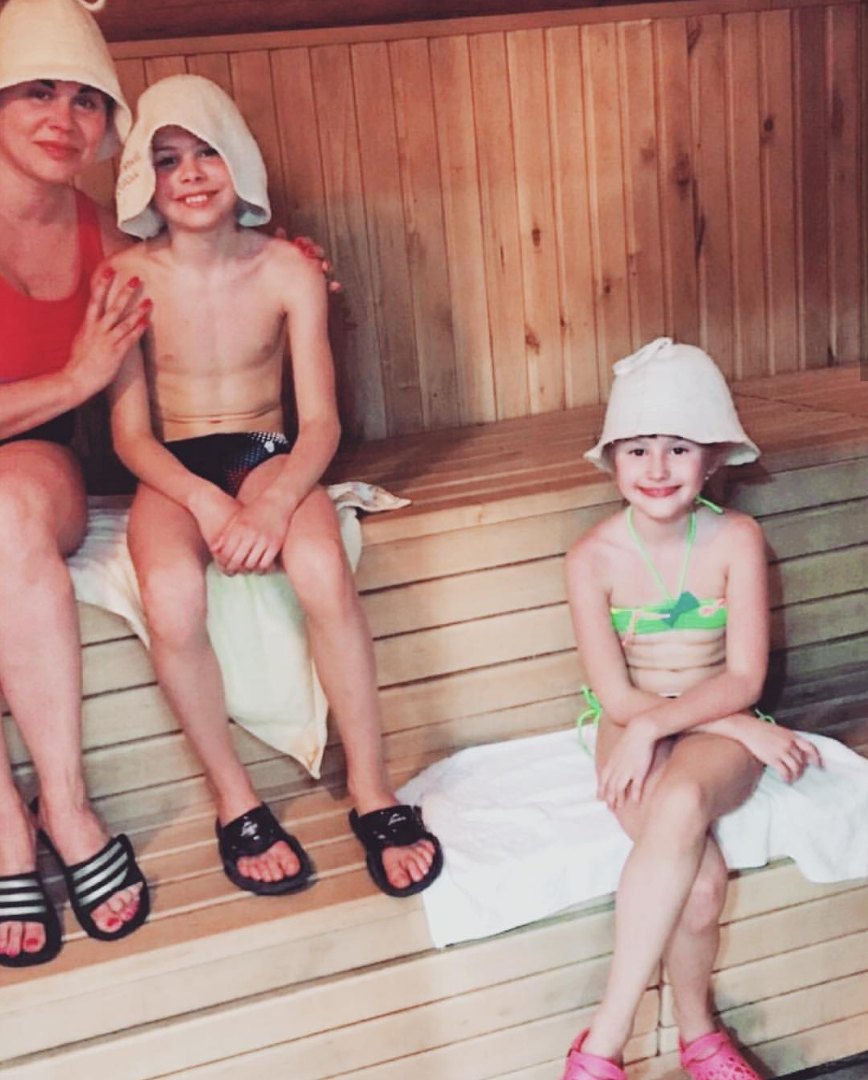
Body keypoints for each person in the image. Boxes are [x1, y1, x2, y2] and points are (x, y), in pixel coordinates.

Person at [107, 74, 443, 899]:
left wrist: (273, 500)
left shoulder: (289, 268)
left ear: (241, 161)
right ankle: (235, 799)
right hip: (174, 466)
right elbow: (130, 437)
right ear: (141, 176)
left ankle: (372, 787)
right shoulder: (125, 277)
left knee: (323, 568)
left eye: (207, 152)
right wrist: (207, 502)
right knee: (173, 596)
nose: (190, 174)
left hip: (267, 450)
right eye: (166, 158)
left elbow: (320, 422)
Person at [562, 338, 821, 1080]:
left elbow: (744, 677)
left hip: (709, 727)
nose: (657, 467)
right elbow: (618, 698)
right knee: (701, 885)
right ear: (613, 460)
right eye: (637, 449)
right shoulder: (590, 559)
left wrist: (708, 722)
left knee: (680, 800)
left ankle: (600, 1048)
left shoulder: (737, 539)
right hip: (631, 722)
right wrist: (669, 723)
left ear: (712, 460)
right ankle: (701, 1039)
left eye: (678, 448)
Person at [0, 0, 151, 967]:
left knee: (3, 511)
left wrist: (285, 269)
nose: (64, 117)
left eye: (87, 99)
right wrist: (73, 378)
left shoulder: (112, 246)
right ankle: (5, 833)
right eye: (38, 91)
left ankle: (65, 803)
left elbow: (198, 291)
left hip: (29, 467)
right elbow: (85, 379)